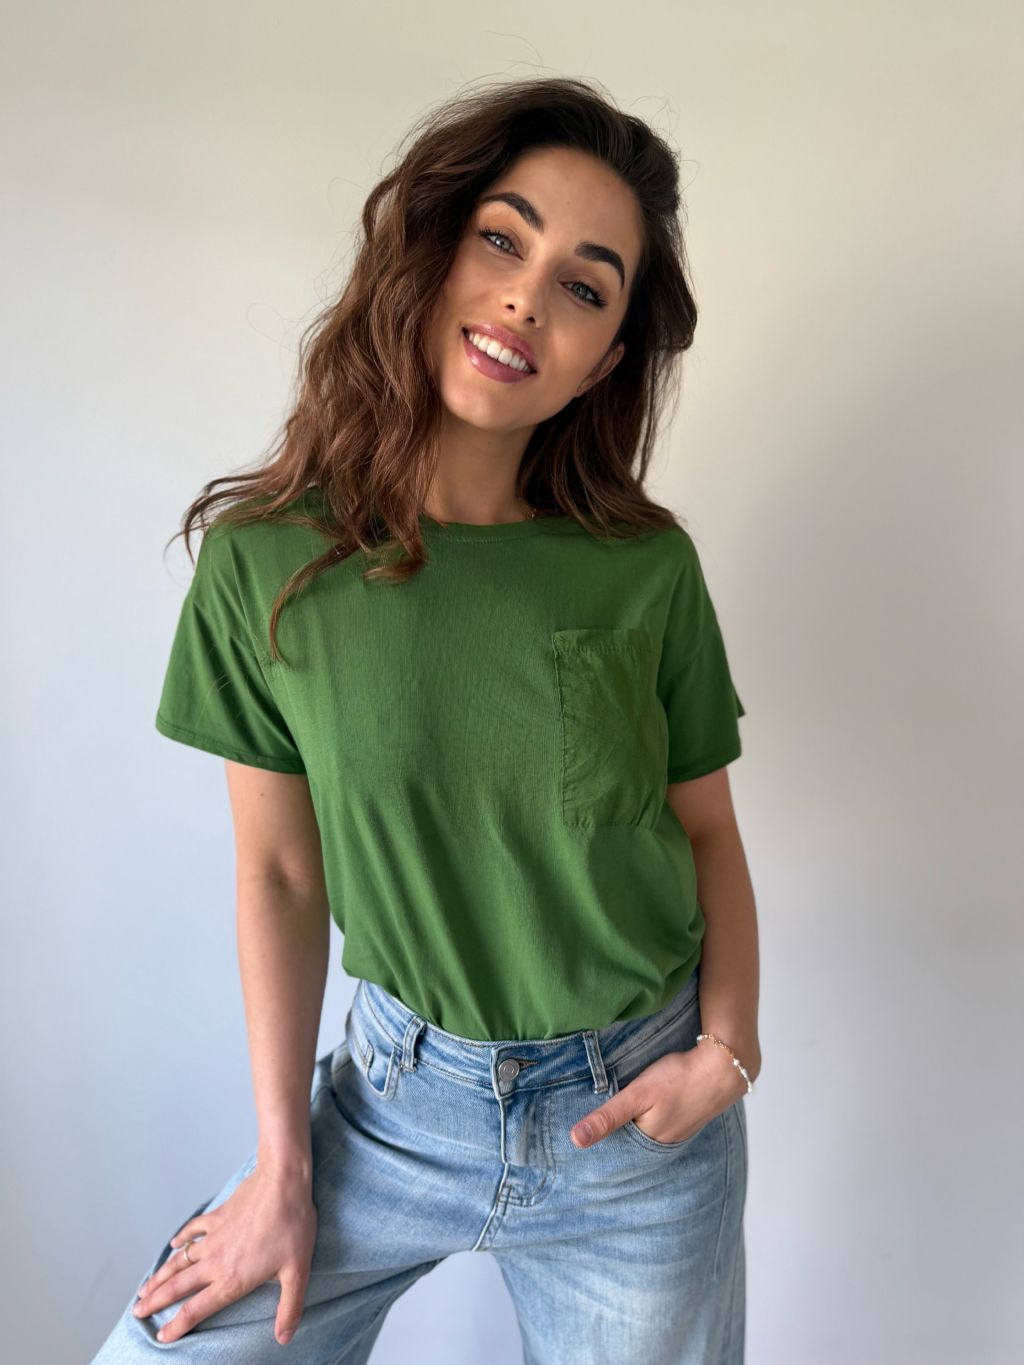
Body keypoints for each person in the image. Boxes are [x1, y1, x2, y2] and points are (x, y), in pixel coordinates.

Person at [91, 74, 760, 1364]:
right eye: (504, 240)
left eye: (585, 287)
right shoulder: (267, 563)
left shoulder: (643, 568)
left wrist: (727, 1052)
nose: (526, 298)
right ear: (434, 249)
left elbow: (708, 834)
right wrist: (281, 1166)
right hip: (396, 1108)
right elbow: (281, 874)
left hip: (637, 1127)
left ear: (607, 358)